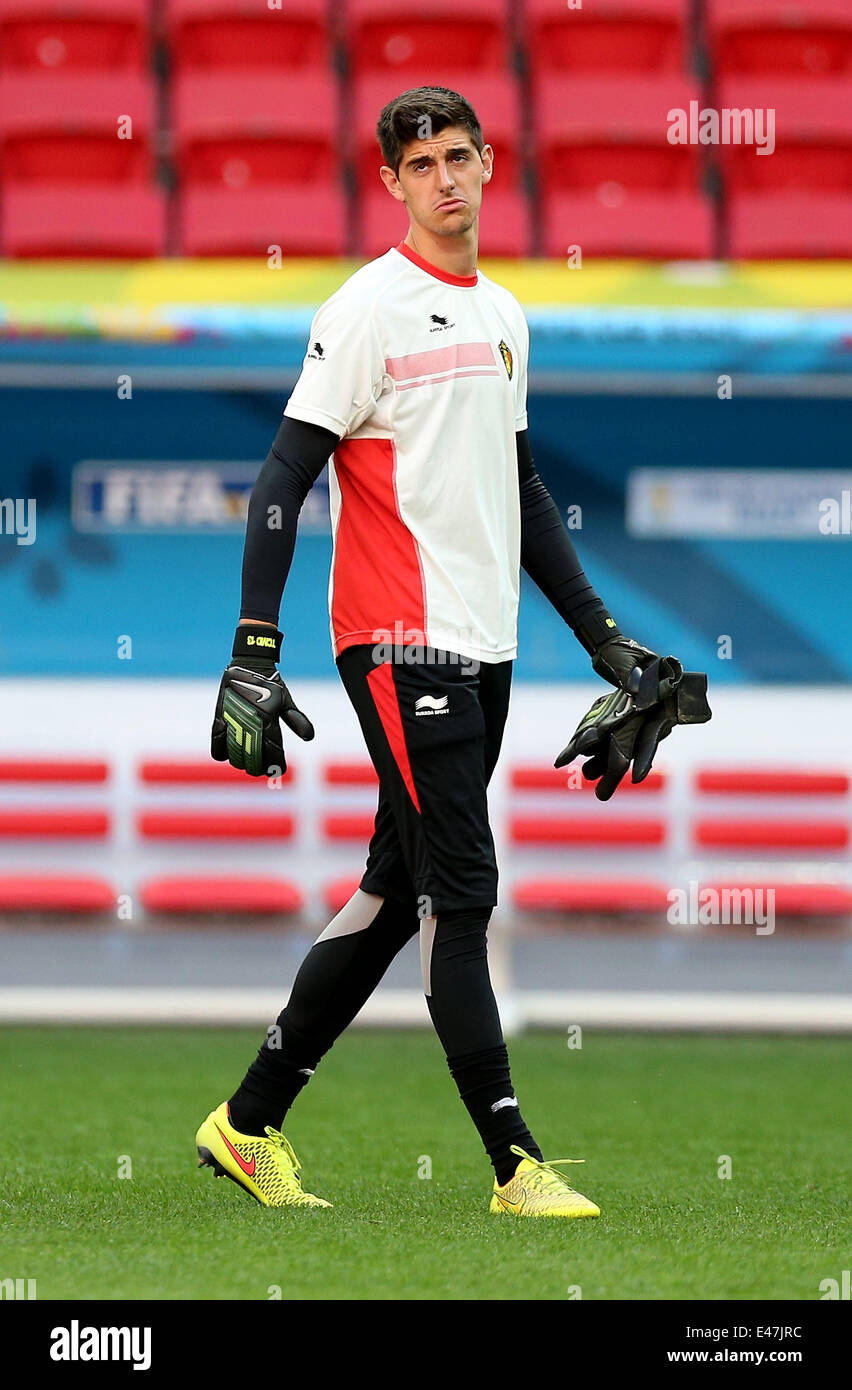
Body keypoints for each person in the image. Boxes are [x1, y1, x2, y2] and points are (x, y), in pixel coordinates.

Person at [196, 86, 696, 1217]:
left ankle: (247, 1121)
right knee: (463, 892)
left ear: (488, 162)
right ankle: (516, 1165)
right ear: (393, 184)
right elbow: (282, 477)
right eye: (421, 165)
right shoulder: (366, 308)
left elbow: (521, 494)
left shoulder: (508, 315)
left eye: (460, 157)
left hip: (487, 645)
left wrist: (608, 643)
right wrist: (253, 644)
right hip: (394, 643)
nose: (446, 180)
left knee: (394, 883)